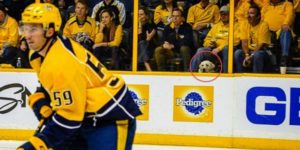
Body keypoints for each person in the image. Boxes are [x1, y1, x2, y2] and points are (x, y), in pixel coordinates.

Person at [17, 2, 141, 150]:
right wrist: (41, 96)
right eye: (25, 28)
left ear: (50, 31)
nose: (27, 35)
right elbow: (53, 85)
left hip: (109, 116)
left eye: (34, 29)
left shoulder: (62, 61)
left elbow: (69, 120)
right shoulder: (38, 54)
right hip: (83, 116)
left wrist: (37, 144)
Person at [191, 5, 240, 73]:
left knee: (226, 49)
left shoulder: (236, 25)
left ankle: (226, 74)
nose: (223, 16)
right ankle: (193, 73)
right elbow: (207, 39)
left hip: (227, 49)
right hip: (214, 49)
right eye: (222, 14)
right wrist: (210, 44)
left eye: (225, 14)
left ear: (230, 15)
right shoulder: (216, 26)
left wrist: (219, 48)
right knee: (200, 50)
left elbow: (235, 41)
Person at [234, 4, 272, 73]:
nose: (248, 15)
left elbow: (261, 45)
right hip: (249, 52)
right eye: (248, 13)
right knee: (238, 53)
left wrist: (251, 56)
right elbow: (244, 42)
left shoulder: (264, 25)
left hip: (262, 52)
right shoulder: (244, 24)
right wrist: (247, 55)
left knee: (257, 55)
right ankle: (241, 76)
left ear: (258, 16)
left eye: (251, 13)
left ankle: (256, 78)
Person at [261, 0, 294, 68]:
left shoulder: (287, 4)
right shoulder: (266, 4)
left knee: (286, 31)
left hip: (281, 29)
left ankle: (284, 58)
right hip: (267, 31)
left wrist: (286, 23)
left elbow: (290, 15)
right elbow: (262, 17)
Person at [138, 6, 156, 71]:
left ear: (146, 16)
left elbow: (148, 40)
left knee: (142, 43)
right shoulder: (134, 27)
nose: (139, 16)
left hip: (149, 48)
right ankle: (146, 64)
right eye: (138, 15)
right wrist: (139, 25)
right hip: (136, 49)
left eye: (141, 14)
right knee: (141, 43)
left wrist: (147, 39)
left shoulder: (151, 25)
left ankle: (145, 63)